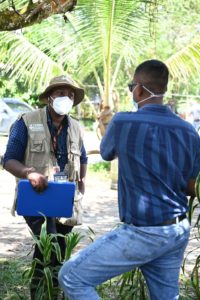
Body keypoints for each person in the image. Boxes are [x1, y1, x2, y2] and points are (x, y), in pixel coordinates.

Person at [58, 60, 200, 300]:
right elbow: (191, 186)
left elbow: (106, 152)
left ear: (139, 89)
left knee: (71, 277)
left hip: (144, 232)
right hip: (176, 230)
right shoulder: (188, 130)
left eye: (131, 86)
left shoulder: (124, 122)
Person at [3, 75, 88, 299]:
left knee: (58, 247)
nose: (66, 98)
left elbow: (84, 157)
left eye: (70, 95)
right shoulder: (26, 121)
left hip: (66, 198)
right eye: (61, 93)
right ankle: (41, 292)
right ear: (49, 97)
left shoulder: (76, 127)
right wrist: (28, 173)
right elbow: (9, 159)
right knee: (47, 244)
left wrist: (82, 182)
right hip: (37, 196)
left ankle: (52, 291)